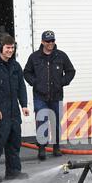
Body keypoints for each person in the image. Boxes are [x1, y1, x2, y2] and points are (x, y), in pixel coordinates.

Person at [23, 30, 75, 160]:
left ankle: (56, 147)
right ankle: (41, 148)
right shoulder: (34, 57)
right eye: (47, 41)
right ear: (42, 42)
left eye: (52, 41)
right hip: (40, 96)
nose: (50, 43)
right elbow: (27, 72)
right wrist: (35, 83)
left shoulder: (61, 56)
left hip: (56, 96)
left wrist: (62, 82)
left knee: (56, 122)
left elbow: (71, 71)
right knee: (42, 122)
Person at [0, 35, 30, 182]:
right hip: (0, 111)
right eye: (7, 48)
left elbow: (21, 87)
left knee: (14, 143)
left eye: (12, 48)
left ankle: (13, 171)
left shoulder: (15, 66)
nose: (10, 50)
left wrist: (24, 104)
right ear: (1, 48)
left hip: (14, 111)